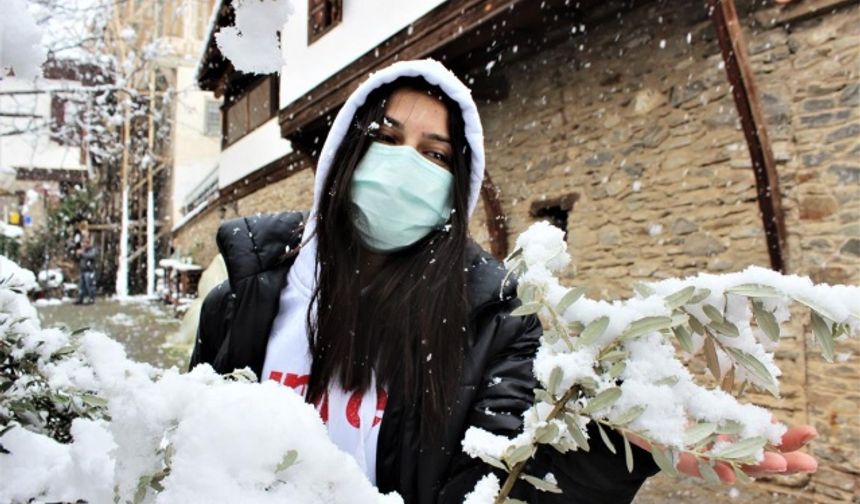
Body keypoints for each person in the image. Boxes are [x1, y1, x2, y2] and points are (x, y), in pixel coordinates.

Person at [190, 59, 816, 503]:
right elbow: (188, 458)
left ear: (454, 189)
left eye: (435, 154)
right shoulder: (243, 303)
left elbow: (500, 484)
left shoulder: (494, 325)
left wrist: (609, 447)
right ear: (344, 156)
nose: (406, 162)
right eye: (385, 137)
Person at [75, 237, 97, 305]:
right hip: (83, 270)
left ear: (88, 244)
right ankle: (80, 299)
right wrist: (78, 255)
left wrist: (82, 254)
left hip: (89, 271)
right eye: (82, 243)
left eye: (85, 244)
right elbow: (79, 259)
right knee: (81, 286)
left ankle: (91, 299)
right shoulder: (83, 250)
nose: (83, 245)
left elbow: (91, 256)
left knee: (90, 286)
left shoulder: (93, 250)